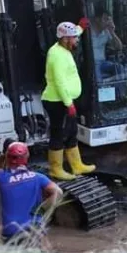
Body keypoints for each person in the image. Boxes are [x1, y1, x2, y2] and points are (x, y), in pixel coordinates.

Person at [42, 21, 96, 181]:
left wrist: (80, 28)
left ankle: (77, 165)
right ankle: (55, 169)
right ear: (65, 39)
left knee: (71, 131)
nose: (77, 39)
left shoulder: (63, 47)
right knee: (59, 134)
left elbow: (73, 32)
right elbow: (59, 82)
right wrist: (68, 103)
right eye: (74, 37)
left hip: (65, 100)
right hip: (57, 101)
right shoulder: (56, 55)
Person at [0, 142, 62, 245]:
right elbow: (58, 192)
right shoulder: (38, 177)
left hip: (10, 231)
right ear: (26, 157)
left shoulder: (1, 178)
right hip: (33, 230)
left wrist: (3, 153)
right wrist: (41, 210)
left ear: (7, 157)